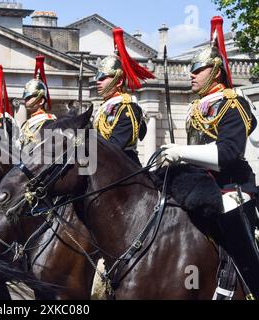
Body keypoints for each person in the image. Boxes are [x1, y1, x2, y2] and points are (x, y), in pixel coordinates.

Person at [162, 16, 259, 299]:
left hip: (231, 185)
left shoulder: (232, 102)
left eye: (198, 69)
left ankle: (249, 285)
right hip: (197, 183)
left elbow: (228, 153)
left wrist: (181, 152)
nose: (191, 74)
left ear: (215, 71)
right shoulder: (196, 107)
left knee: (233, 225)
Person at [93, 27, 155, 166]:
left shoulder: (127, 108)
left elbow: (114, 146)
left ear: (119, 81)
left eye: (103, 78)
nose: (98, 82)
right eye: (98, 78)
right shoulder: (105, 108)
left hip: (123, 170)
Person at [19, 55, 57, 147]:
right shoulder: (25, 124)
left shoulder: (49, 122)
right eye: (25, 98)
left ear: (41, 101)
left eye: (29, 97)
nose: (26, 101)